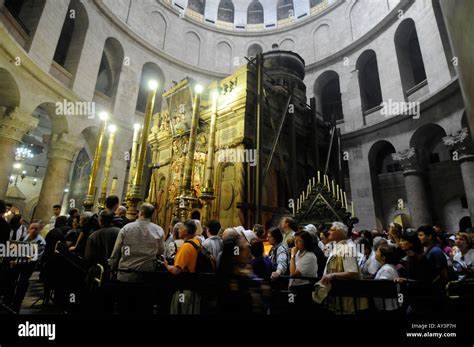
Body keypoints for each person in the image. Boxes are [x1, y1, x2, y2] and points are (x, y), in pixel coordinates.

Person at [109, 203, 164, 282]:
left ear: (140, 213)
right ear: (152, 215)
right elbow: (161, 250)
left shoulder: (127, 228)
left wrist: (112, 267)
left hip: (126, 272)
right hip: (147, 273)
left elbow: (116, 250)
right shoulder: (158, 230)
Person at [320, 222, 364, 314]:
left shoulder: (347, 248)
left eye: (332, 230)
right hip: (336, 293)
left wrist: (332, 275)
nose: (328, 232)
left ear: (339, 232)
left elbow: (353, 272)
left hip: (346, 294)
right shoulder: (336, 247)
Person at [5, 222, 46, 312]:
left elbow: (34, 258)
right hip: (18, 264)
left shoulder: (40, 242)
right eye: (31, 228)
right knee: (11, 281)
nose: (33, 230)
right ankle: (8, 302)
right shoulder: (25, 237)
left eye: (36, 228)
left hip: (28, 266)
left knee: (22, 284)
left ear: (39, 230)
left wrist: (17, 262)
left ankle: (16, 306)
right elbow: (17, 248)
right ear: (28, 229)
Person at [165, 220, 202, 314]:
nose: (178, 231)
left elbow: (176, 270)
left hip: (184, 289)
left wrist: (166, 265)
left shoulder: (186, 247)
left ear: (185, 231)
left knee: (180, 311)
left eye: (180, 229)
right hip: (193, 288)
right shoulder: (196, 242)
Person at [373, 246, 400, 312]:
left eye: (377, 251)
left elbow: (383, 287)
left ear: (383, 257)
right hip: (384, 305)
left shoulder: (386, 269)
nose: (375, 253)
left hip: (388, 306)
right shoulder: (385, 267)